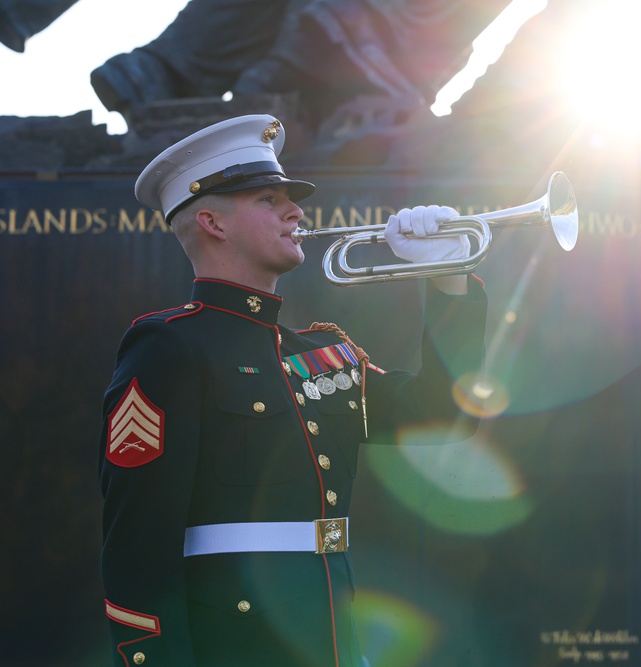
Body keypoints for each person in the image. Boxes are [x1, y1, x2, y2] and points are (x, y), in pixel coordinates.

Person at [98, 114, 487, 666]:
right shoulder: (169, 345)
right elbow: (138, 544)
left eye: (290, 200)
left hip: (331, 636)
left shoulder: (321, 353)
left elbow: (443, 415)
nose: (296, 212)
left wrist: (449, 279)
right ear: (212, 222)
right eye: (268, 200)